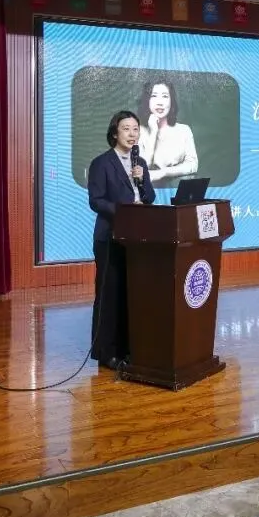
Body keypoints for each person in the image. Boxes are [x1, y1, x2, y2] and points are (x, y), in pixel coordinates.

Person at [87, 110, 156, 370]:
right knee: (110, 294)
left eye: (135, 129)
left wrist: (141, 180)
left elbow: (149, 198)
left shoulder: (141, 163)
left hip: (136, 238)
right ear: (115, 133)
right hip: (110, 238)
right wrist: (124, 211)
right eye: (126, 129)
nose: (132, 134)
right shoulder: (101, 163)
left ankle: (128, 347)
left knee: (131, 294)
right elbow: (96, 201)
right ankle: (106, 352)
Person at [137, 80, 199, 188]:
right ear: (147, 100)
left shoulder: (184, 130)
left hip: (175, 192)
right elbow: (142, 168)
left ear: (171, 101)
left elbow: (193, 165)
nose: (160, 102)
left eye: (165, 96)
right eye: (154, 96)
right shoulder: (137, 131)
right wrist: (154, 132)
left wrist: (163, 172)